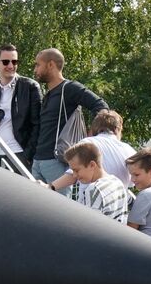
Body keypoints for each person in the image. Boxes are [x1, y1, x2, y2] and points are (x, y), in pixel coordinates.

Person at [27, 48, 108, 184]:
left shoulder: (69, 88)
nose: (35, 70)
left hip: (57, 161)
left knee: (57, 205)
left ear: (51, 65)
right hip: (38, 160)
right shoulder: (48, 93)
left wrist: (90, 138)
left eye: (38, 65)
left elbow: (101, 106)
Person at [0, 44, 39, 168]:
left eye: (15, 61)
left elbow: (37, 124)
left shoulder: (30, 87)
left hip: (19, 153)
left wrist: (28, 155)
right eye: (6, 62)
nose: (11, 66)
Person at [49, 110, 135, 191]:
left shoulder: (87, 143)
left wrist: (51, 186)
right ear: (117, 129)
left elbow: (73, 174)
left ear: (95, 128)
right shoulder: (130, 150)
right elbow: (132, 182)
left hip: (90, 201)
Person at [56, 141, 130, 223]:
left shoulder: (94, 189)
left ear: (92, 165)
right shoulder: (117, 182)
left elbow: (89, 226)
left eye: (76, 170)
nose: (74, 175)